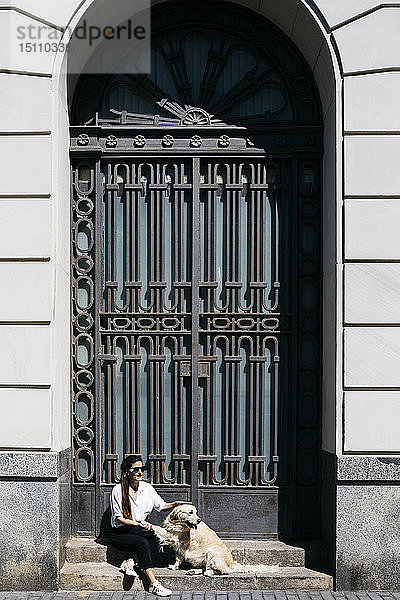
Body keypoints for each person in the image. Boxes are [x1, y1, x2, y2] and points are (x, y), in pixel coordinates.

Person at [110, 454, 188, 597]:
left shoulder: (147, 488)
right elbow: (119, 518)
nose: (140, 472)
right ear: (127, 471)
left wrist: (175, 504)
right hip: (121, 532)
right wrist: (138, 524)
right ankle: (153, 584)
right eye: (136, 469)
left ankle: (131, 561)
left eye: (142, 469)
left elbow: (162, 506)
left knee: (159, 539)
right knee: (142, 543)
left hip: (139, 529)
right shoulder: (117, 490)